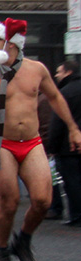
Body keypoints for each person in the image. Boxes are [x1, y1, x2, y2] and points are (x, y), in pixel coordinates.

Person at [0, 19, 81, 261]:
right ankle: (1, 252)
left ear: (11, 43)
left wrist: (73, 128)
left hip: (32, 142)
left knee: (43, 201)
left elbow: (55, 97)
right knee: (9, 203)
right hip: (2, 142)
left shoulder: (37, 69)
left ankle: (22, 241)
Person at [48, 60, 81, 227]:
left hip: (68, 146)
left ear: (68, 72)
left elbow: (58, 122)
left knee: (72, 182)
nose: (56, 75)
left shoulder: (64, 93)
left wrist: (52, 147)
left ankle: (77, 215)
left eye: (59, 72)